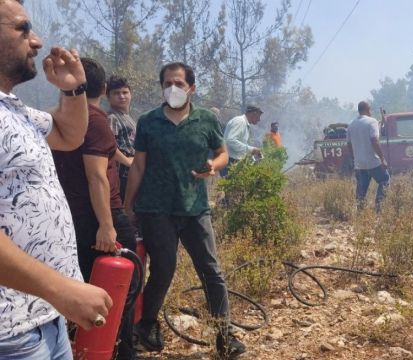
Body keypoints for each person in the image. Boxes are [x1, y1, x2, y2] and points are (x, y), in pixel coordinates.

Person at [0, 1, 112, 358]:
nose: (37, 41)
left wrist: (72, 90)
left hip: (43, 319)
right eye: (22, 28)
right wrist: (60, 289)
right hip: (10, 332)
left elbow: (68, 134)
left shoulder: (13, 110)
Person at [124, 62, 246, 358]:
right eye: (167, 83)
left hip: (195, 209)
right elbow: (138, 166)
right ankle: (148, 328)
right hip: (156, 209)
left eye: (179, 83)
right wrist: (128, 208)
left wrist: (214, 167)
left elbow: (223, 154)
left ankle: (223, 334)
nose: (173, 89)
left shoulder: (206, 120)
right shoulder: (149, 121)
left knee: (211, 271)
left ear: (192, 87)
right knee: (163, 271)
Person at [52, 57, 137, 360]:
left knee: (84, 287)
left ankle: (84, 350)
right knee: (121, 290)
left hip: (71, 218)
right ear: (102, 87)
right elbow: (96, 175)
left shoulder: (61, 118)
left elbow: (110, 152)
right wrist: (107, 225)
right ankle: (121, 353)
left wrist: (134, 163)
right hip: (100, 217)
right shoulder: (96, 119)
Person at [347, 101, 390, 211]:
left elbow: (348, 144)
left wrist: (354, 159)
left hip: (359, 164)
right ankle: (378, 209)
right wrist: (382, 159)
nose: (371, 111)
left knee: (361, 190)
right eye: (370, 109)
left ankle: (360, 213)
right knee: (384, 179)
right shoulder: (372, 122)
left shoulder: (351, 124)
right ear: (366, 109)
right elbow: (374, 140)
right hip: (373, 162)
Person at [106, 75, 136, 201]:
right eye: (116, 93)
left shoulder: (128, 118)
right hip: (121, 176)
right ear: (108, 96)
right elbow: (108, 146)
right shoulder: (112, 118)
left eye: (125, 92)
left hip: (132, 174)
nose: (122, 96)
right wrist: (127, 161)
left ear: (131, 94)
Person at [220, 105, 263, 177]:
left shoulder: (244, 123)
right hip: (230, 161)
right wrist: (251, 149)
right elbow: (231, 140)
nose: (259, 119)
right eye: (259, 116)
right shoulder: (240, 121)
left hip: (233, 161)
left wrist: (252, 152)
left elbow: (239, 143)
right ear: (253, 113)